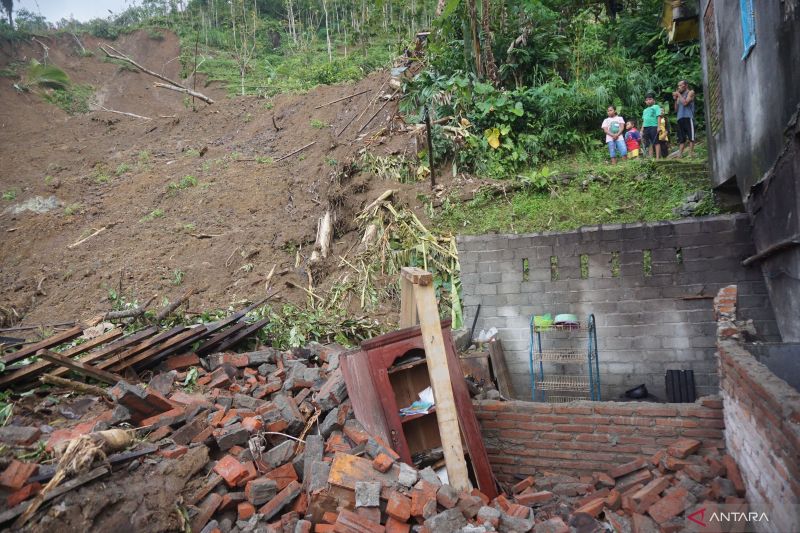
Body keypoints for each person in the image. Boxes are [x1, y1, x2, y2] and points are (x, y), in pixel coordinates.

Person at [673, 79, 696, 158]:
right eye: (678, 86)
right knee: (681, 138)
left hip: (688, 117)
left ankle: (690, 154)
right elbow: (676, 109)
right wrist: (676, 99)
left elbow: (685, 103)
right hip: (680, 118)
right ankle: (680, 155)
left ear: (686, 85)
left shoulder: (690, 92)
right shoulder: (679, 96)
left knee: (691, 137)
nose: (679, 87)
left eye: (680, 85)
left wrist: (678, 94)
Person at [641, 93, 661, 158]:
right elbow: (644, 120)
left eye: (650, 99)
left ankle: (658, 158)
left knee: (656, 142)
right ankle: (651, 158)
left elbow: (658, 117)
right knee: (649, 143)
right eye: (647, 100)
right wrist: (641, 130)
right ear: (645, 101)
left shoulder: (656, 107)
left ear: (653, 100)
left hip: (654, 126)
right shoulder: (645, 110)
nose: (648, 101)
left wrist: (658, 126)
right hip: (646, 128)